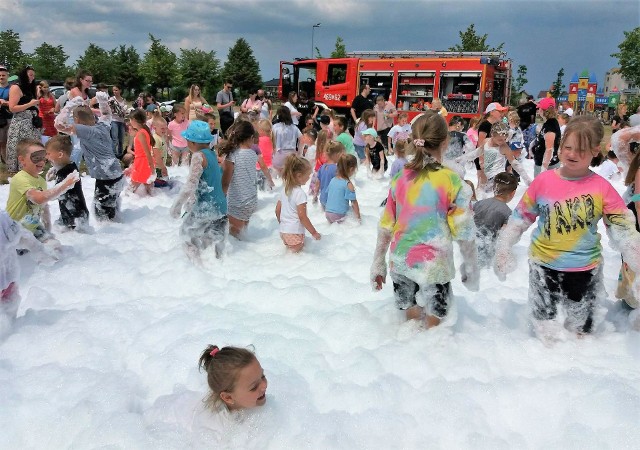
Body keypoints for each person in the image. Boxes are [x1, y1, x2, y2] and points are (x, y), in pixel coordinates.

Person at [494, 116, 640, 340]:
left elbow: (621, 225)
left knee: (581, 329)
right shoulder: (543, 182)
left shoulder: (601, 187)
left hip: (585, 268)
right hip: (544, 265)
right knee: (544, 325)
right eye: (567, 147)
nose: (571, 154)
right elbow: (520, 218)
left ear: (594, 151)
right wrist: (504, 247)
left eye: (580, 150)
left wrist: (634, 254)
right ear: (560, 147)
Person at [370, 111, 479, 328]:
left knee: (409, 323)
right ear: (445, 142)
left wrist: (378, 264)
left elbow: (385, 226)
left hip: (401, 262)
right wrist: (470, 267)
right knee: (434, 328)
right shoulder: (452, 181)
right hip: (435, 266)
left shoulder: (400, 179)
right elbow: (464, 232)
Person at [58, 93, 125, 219]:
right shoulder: (102, 126)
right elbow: (106, 114)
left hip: (106, 177)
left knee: (102, 216)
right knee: (111, 209)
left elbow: (59, 125)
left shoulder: (85, 130)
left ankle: (111, 236)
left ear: (76, 120)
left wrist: (69, 105)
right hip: (116, 174)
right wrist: (102, 101)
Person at [170, 121, 227, 262]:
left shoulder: (198, 157)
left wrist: (177, 206)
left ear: (192, 142)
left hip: (207, 208)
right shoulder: (213, 155)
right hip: (221, 207)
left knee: (185, 235)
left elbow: (190, 185)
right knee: (214, 247)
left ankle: (197, 270)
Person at [6, 139, 78, 241]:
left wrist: (48, 231)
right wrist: (63, 185)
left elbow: (44, 208)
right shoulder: (20, 178)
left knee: (55, 248)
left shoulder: (41, 181)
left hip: (33, 227)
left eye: (43, 158)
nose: (41, 161)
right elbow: (38, 199)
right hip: (14, 230)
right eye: (36, 157)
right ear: (22, 160)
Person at [1, 209, 57, 333]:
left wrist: (40, 252)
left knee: (8, 327)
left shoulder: (3, 219)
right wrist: (40, 251)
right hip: (9, 282)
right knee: (8, 324)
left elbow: (22, 235)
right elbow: (22, 236)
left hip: (9, 283)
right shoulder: (3, 218)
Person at [198, 345, 267, 412]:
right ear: (228, 397)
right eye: (254, 387)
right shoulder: (218, 422)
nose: (264, 385)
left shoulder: (254, 403)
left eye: (262, 376)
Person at [220, 120, 259, 238]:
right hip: (252, 200)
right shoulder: (253, 154)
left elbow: (226, 181)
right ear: (251, 137)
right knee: (243, 234)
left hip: (238, 202)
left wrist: (221, 197)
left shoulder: (232, 155)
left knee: (234, 237)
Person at [275, 154, 321, 252]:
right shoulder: (300, 193)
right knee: (295, 259)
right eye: (308, 175)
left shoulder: (284, 190)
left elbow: (277, 210)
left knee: (290, 255)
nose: (309, 178)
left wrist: (283, 223)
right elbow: (302, 217)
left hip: (283, 231)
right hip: (294, 232)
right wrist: (314, 232)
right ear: (299, 175)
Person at [44, 136, 89, 229]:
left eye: (48, 154)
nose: (46, 157)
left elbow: (55, 194)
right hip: (75, 213)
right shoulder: (70, 166)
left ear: (60, 155)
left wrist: (40, 195)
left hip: (75, 218)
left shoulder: (68, 174)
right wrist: (55, 169)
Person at [473, 172, 517, 267]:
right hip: (488, 256)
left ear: (494, 188)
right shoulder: (508, 213)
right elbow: (505, 239)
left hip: (471, 249)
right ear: (513, 193)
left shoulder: (478, 204)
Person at [6, 65, 42, 175]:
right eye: (30, 75)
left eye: (33, 76)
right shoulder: (16, 87)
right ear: (24, 75)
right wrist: (30, 104)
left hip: (32, 123)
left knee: (32, 147)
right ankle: (19, 170)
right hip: (21, 123)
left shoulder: (31, 88)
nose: (32, 78)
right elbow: (12, 108)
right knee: (21, 147)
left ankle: (32, 168)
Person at [475, 102, 507, 188]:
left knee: (489, 185)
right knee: (483, 185)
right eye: (499, 111)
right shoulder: (485, 125)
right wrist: (482, 161)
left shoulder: (494, 125)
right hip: (484, 158)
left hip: (491, 158)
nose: (502, 114)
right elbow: (480, 144)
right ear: (492, 112)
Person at [325, 153, 360, 223]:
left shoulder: (333, 180)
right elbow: (354, 203)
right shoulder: (348, 184)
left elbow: (329, 196)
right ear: (351, 169)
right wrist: (358, 219)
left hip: (327, 213)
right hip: (339, 215)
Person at [129, 109, 156, 196]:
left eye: (130, 119)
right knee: (150, 189)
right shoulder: (144, 131)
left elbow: (147, 152)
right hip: (145, 162)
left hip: (142, 163)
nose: (130, 122)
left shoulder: (141, 133)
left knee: (129, 190)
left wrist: (152, 168)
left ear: (135, 120)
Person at [533, 97, 561, 177]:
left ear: (543, 110)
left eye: (539, 108)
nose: (538, 111)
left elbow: (549, 149)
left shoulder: (550, 126)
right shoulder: (550, 122)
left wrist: (543, 168)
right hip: (547, 163)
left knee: (542, 188)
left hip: (548, 165)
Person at [271, 106, 301, 174]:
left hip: (279, 153)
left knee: (279, 178)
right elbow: (301, 139)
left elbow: (271, 140)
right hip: (292, 155)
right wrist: (299, 152)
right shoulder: (294, 127)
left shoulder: (275, 127)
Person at [317, 141, 346, 208]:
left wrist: (315, 196)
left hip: (323, 199)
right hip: (333, 200)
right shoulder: (337, 169)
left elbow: (317, 183)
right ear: (337, 155)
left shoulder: (322, 167)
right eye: (342, 154)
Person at [108, 85, 127, 158]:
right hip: (114, 120)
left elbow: (125, 110)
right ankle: (113, 154)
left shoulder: (123, 100)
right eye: (113, 90)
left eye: (116, 90)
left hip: (121, 121)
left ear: (120, 91)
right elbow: (110, 110)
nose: (114, 92)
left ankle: (120, 154)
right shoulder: (111, 100)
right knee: (115, 139)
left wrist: (123, 112)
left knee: (121, 139)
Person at [0, 65, 13, 167]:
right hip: (0, 118)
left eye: (3, 75)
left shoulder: (12, 88)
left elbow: (15, 103)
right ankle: (5, 162)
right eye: (0, 75)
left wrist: (6, 103)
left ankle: (10, 161)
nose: (1, 77)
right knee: (2, 142)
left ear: (7, 76)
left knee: (10, 141)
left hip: (10, 118)